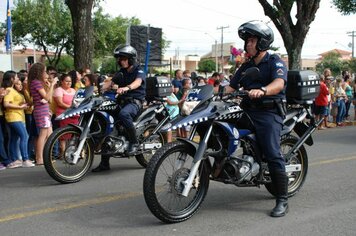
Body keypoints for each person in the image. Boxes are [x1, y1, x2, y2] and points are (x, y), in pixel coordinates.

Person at [224, 20, 289, 217]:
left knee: (272, 153)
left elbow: (279, 83)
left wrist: (263, 90)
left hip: (269, 112)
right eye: (247, 41)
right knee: (221, 127)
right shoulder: (246, 65)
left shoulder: (275, 61)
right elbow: (231, 86)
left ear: (262, 43)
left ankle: (282, 200)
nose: (248, 44)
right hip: (247, 111)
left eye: (252, 40)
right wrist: (216, 92)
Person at [92, 45, 146, 172]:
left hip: (135, 102)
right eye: (119, 58)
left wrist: (126, 88)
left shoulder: (139, 71)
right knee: (106, 122)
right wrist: (97, 88)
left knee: (123, 114)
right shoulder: (121, 72)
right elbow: (109, 83)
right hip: (121, 101)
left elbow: (137, 83)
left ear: (131, 59)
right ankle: (105, 163)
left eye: (123, 58)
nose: (120, 61)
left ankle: (134, 142)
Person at [28, 62, 58, 165]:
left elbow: (48, 100)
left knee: (49, 134)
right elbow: (46, 98)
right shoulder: (36, 83)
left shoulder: (38, 83)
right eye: (45, 71)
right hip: (41, 111)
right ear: (39, 72)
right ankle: (40, 158)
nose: (46, 73)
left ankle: (46, 156)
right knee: (43, 134)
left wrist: (50, 87)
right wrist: (52, 85)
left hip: (44, 110)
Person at [3, 72, 34, 168]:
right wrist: (20, 107)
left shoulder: (13, 90)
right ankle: (25, 159)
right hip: (13, 117)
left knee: (14, 138)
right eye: (16, 77)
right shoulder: (9, 90)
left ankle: (14, 159)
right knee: (24, 136)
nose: (17, 78)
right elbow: (6, 104)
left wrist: (22, 105)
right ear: (12, 79)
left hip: (18, 116)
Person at [53, 74, 78, 156]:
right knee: (64, 135)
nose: (69, 83)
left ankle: (72, 152)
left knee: (74, 134)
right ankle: (63, 153)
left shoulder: (73, 90)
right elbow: (60, 103)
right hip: (63, 114)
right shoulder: (58, 90)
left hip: (74, 114)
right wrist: (70, 108)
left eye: (70, 81)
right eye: (66, 81)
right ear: (62, 82)